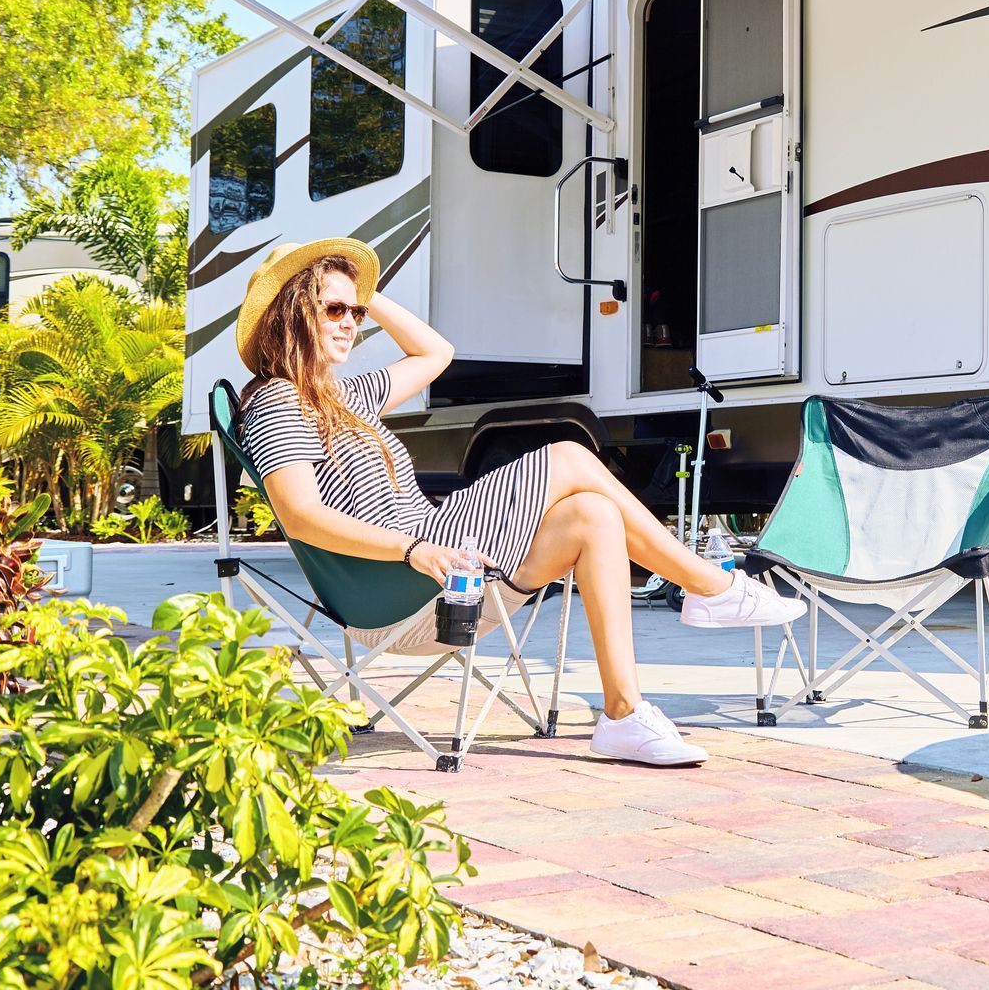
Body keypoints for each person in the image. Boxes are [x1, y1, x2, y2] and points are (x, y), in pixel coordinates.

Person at [234, 238, 804, 766]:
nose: (352, 324)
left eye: (355, 312)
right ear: (291, 314)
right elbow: (301, 515)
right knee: (570, 457)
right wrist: (411, 549)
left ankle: (623, 715)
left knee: (594, 514)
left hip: (440, 564)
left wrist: (366, 293)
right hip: (408, 580)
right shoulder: (280, 402)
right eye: (335, 310)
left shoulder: (340, 397)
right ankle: (709, 587)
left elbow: (436, 353)